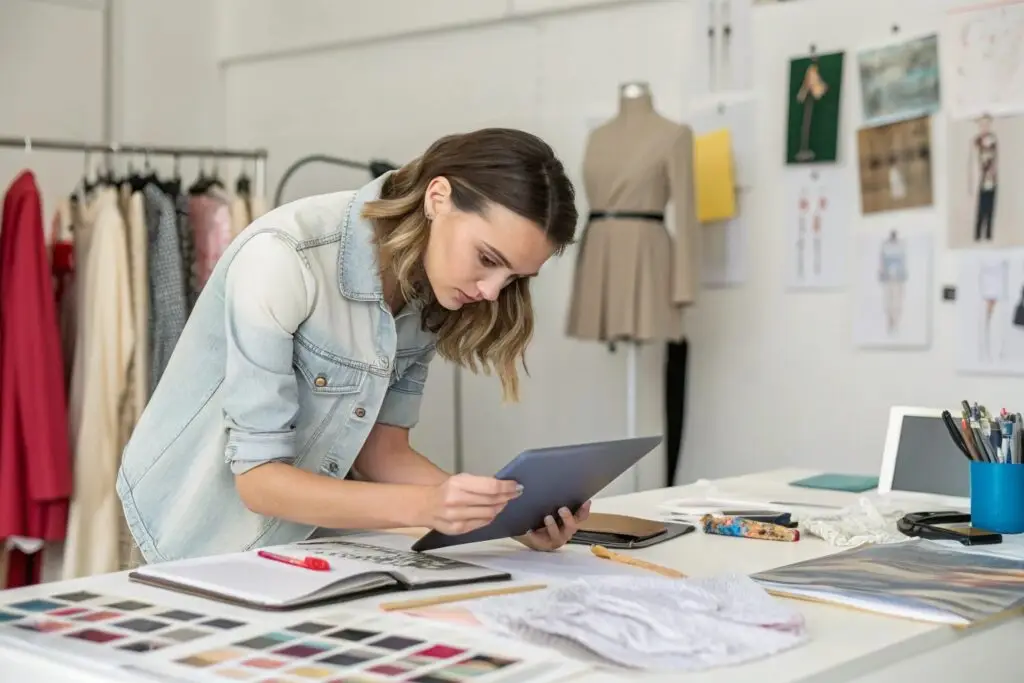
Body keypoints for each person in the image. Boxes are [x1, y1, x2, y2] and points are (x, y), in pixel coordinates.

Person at [116, 128, 589, 565]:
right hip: (181, 533)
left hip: (290, 544)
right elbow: (259, 481)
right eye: (487, 259)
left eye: (514, 279)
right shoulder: (282, 257)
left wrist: (507, 516)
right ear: (438, 198)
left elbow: (381, 451)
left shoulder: (429, 289)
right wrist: (427, 506)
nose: (490, 291)